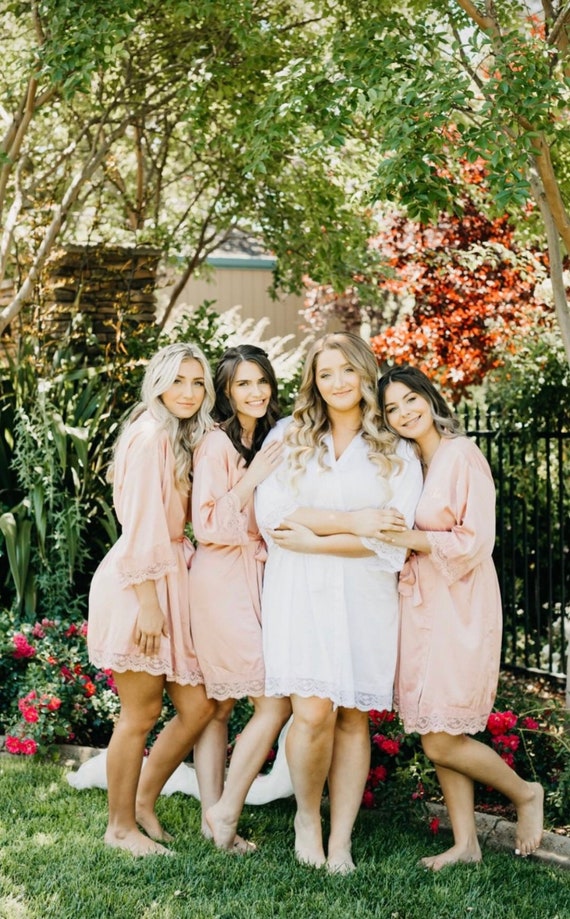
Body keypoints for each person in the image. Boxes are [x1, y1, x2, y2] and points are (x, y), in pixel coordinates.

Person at [253, 332, 423, 873]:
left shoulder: (396, 448)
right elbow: (273, 514)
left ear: (365, 373)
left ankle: (342, 838)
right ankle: (308, 819)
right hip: (298, 591)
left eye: (347, 370)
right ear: (314, 382)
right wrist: (354, 522)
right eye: (326, 373)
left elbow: (393, 536)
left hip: (364, 595)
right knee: (311, 713)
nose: (338, 382)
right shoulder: (289, 434)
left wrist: (317, 538)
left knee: (352, 716)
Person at [376, 364, 544, 870]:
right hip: (421, 605)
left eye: (410, 399)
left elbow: (475, 541)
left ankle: (525, 792)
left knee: (440, 737)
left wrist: (409, 539)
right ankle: (466, 844)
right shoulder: (410, 464)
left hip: (459, 604)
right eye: (392, 409)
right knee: (440, 726)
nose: (404, 412)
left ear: (429, 397)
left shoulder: (462, 455)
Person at [87, 342, 217, 856]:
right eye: (178, 380)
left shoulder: (176, 434)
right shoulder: (148, 437)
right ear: (158, 384)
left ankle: (142, 802)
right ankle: (119, 828)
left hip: (171, 576)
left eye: (198, 382)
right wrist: (147, 602)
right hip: (141, 583)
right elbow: (139, 524)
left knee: (198, 706)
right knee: (139, 715)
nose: (188, 392)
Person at [189, 344, 291, 852]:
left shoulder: (269, 436)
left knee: (221, 704)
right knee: (267, 702)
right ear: (226, 392)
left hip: (258, 575)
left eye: (261, 381)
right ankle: (222, 812)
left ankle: (213, 818)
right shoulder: (215, 444)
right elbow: (206, 525)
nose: (255, 392)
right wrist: (251, 479)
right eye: (243, 384)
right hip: (222, 579)